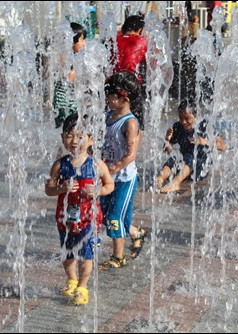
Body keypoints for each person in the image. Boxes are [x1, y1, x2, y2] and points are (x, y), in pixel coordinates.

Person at [44, 113, 115, 305]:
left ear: (91, 139)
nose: (74, 141)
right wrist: (61, 187)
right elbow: (48, 189)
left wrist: (99, 190)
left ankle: (83, 286)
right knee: (67, 253)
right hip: (65, 217)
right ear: (62, 138)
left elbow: (110, 185)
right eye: (69, 135)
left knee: (86, 254)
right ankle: (72, 278)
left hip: (89, 218)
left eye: (81, 136)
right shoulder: (60, 165)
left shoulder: (96, 164)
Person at [98, 71, 146, 270]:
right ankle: (136, 233)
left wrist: (112, 169)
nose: (106, 98)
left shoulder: (130, 122)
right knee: (104, 214)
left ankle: (118, 257)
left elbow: (130, 155)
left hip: (124, 179)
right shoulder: (108, 115)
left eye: (110, 96)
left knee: (114, 217)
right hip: (108, 177)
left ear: (123, 98)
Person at [157, 99, 226, 193]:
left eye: (186, 118)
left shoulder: (204, 125)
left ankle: (176, 182)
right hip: (185, 167)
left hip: (200, 168)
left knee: (190, 156)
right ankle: (158, 181)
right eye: (181, 118)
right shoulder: (178, 126)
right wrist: (167, 139)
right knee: (173, 159)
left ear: (196, 115)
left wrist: (205, 141)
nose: (183, 122)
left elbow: (222, 146)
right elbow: (168, 151)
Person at [111, 14, 147, 147]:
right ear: (140, 30)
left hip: (111, 88)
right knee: (139, 123)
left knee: (109, 119)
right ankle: (131, 155)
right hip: (131, 89)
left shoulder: (113, 40)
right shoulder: (142, 41)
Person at [53, 22, 86, 129]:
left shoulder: (76, 56)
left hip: (73, 101)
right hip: (63, 102)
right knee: (65, 129)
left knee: (74, 129)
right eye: (82, 40)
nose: (84, 43)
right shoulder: (62, 55)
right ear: (73, 40)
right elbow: (67, 78)